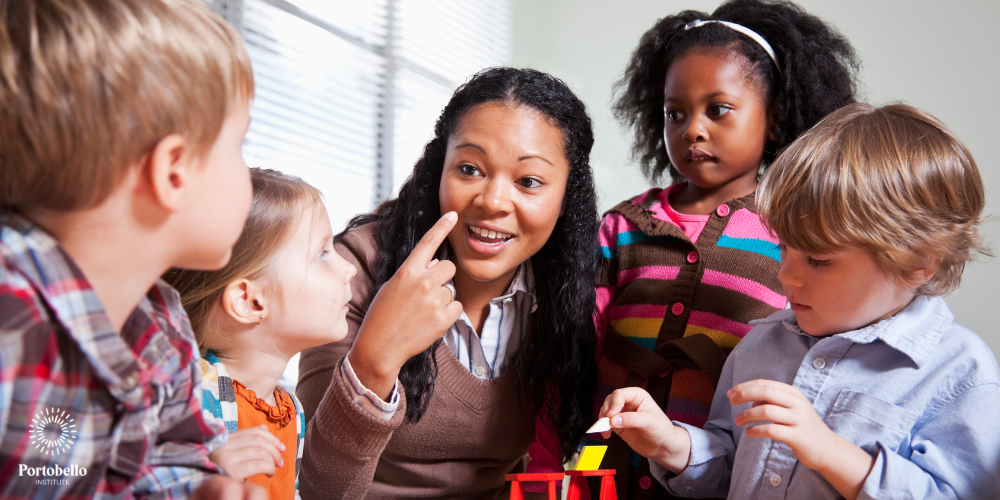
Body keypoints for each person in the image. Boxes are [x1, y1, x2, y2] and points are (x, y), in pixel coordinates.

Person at [599, 103, 1000, 499]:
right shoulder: (761, 346)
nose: (786, 275)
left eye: (820, 260)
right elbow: (730, 471)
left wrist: (829, 453)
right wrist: (671, 445)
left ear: (919, 264)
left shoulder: (961, 372)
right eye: (786, 248)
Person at [295, 67, 600, 498]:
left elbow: (568, 456)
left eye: (528, 181)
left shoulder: (568, 293)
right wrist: (376, 357)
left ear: (568, 197)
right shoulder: (354, 270)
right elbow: (320, 489)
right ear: (439, 170)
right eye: (470, 169)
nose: (492, 201)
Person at [594, 0, 859, 494]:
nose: (692, 129)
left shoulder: (797, 232)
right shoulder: (621, 227)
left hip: (723, 474)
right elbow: (578, 345)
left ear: (775, 119)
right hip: (603, 465)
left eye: (718, 110)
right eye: (675, 113)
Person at [0, 0, 263, 498]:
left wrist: (199, 491)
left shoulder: (162, 324)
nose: (248, 173)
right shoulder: (11, 319)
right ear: (173, 171)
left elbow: (169, 458)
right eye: (240, 145)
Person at [165, 168, 357, 499]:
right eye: (322, 254)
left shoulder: (290, 410)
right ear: (250, 301)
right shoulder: (188, 398)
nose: (349, 268)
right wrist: (203, 479)